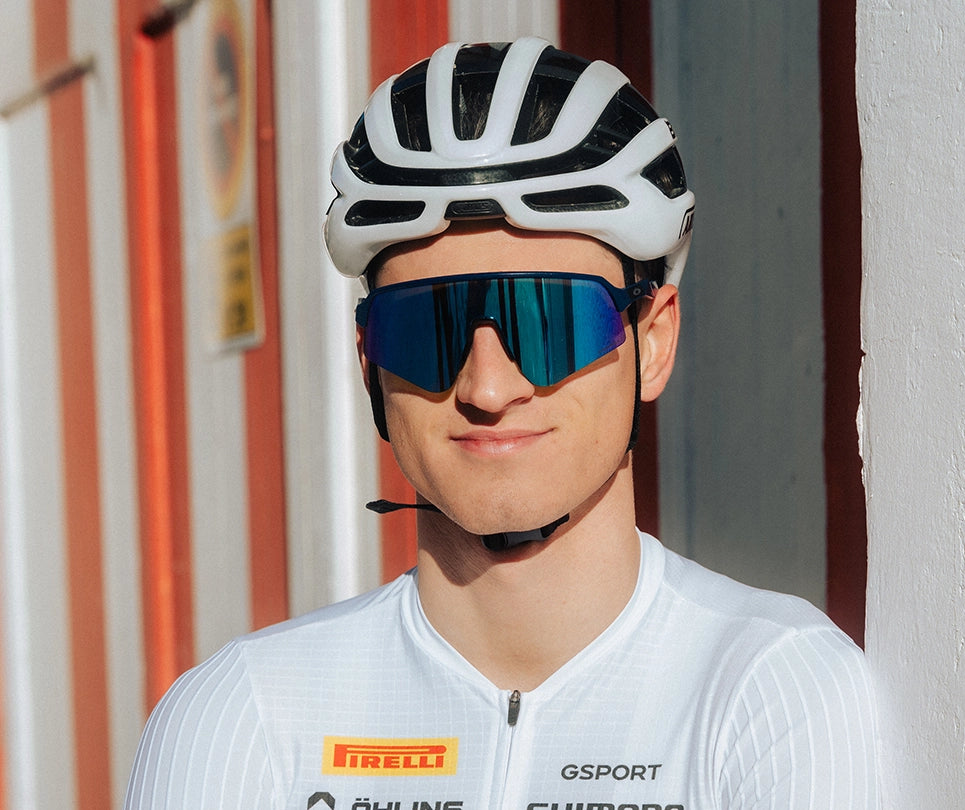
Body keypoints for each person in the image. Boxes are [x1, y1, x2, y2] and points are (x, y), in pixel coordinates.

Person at [125, 37, 878, 809]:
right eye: (428, 328)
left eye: (550, 320)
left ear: (653, 342)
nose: (488, 387)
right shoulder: (242, 717)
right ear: (368, 359)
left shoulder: (770, 694)